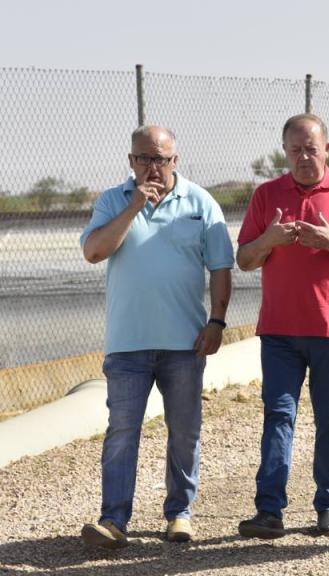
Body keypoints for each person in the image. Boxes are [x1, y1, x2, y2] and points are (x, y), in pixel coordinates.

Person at [79, 125, 234, 549]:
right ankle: (113, 522)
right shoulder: (114, 200)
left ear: (175, 161)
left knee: (185, 431)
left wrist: (217, 321)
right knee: (122, 431)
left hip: (185, 344)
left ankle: (179, 514)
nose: (152, 167)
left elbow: (221, 266)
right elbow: (94, 252)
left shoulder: (201, 203)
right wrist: (133, 207)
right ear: (130, 161)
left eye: (161, 159)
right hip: (128, 345)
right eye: (144, 158)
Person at [235, 114, 329, 538]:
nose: (304, 157)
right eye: (295, 150)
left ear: (328, 148)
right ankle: (269, 510)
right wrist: (268, 240)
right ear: (284, 152)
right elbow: (244, 261)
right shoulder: (267, 195)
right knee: (278, 416)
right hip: (280, 332)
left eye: (312, 148)